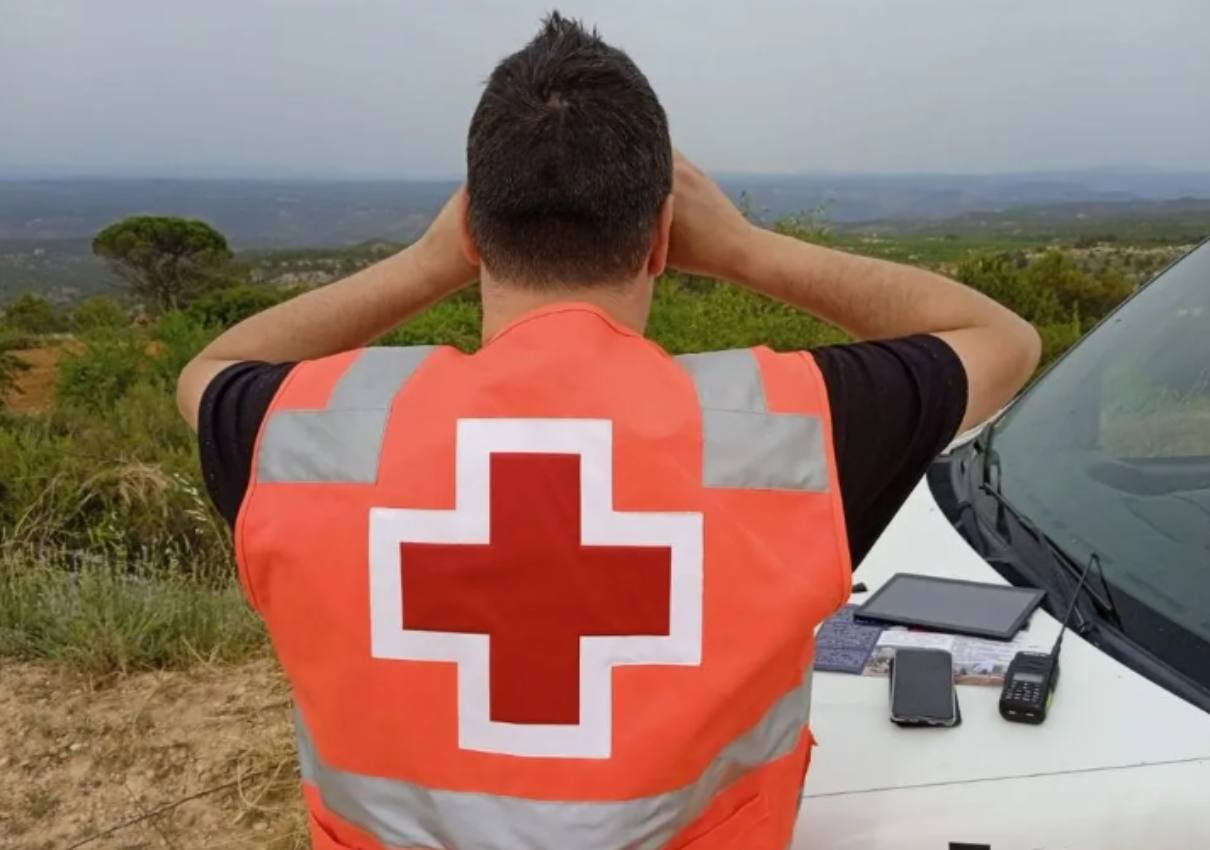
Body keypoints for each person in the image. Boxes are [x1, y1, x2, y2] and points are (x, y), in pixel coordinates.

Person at [177, 13, 1039, 850]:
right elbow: (1003, 341)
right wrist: (744, 248)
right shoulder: (786, 429)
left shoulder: (306, 433)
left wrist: (425, 260)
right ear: (663, 236)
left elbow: (207, 373)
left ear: (474, 234)